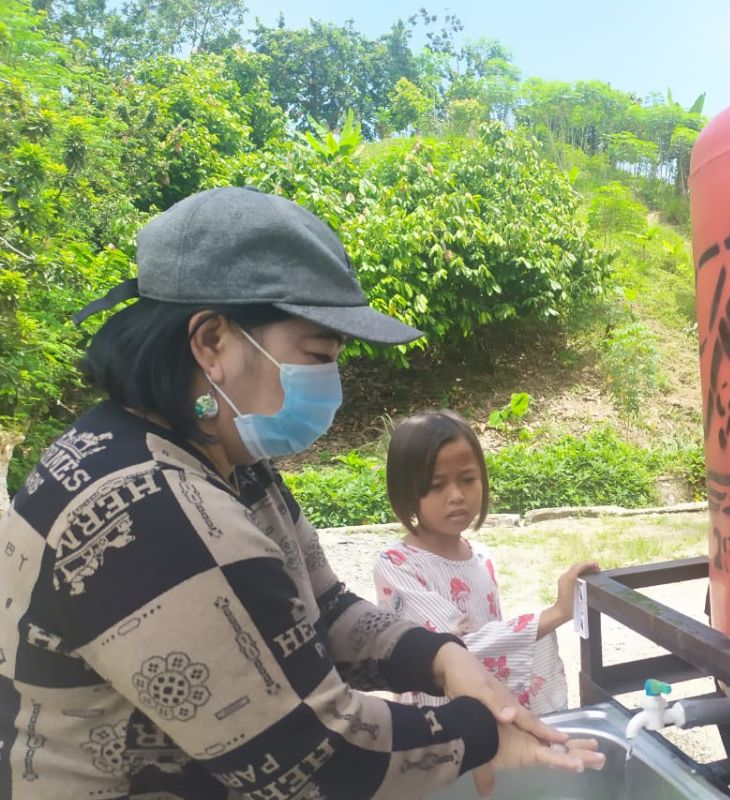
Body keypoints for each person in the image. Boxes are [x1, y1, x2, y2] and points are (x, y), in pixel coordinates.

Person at [0, 187, 603, 800]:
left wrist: (442, 658)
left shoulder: (228, 462)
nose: (330, 385)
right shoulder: (147, 507)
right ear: (212, 343)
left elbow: (324, 607)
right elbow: (314, 760)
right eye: (315, 356)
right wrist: (484, 731)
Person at [374, 411, 597, 715]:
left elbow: (491, 645)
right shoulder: (397, 565)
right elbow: (452, 652)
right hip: (440, 724)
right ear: (406, 491)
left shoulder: (480, 557)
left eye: (467, 479)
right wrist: (556, 614)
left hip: (486, 712)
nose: (456, 496)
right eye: (436, 485)